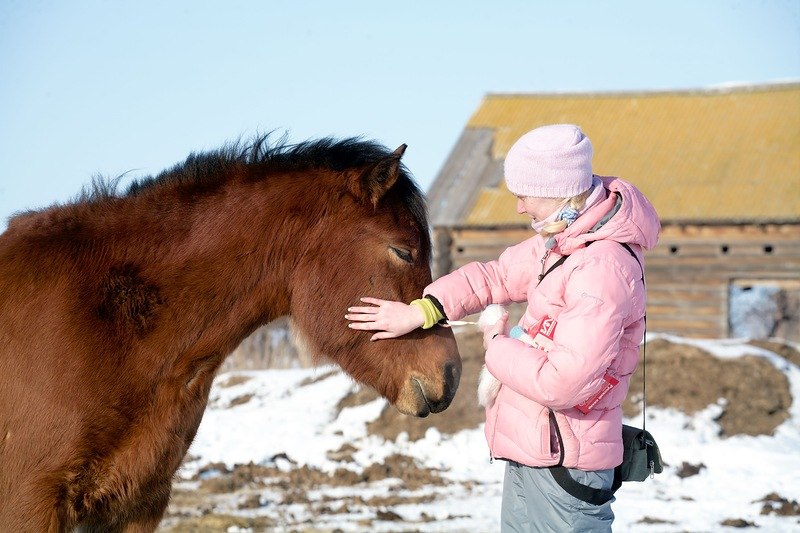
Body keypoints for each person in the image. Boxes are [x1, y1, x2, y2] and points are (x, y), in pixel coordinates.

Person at [346, 124, 660, 532]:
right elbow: (495, 277)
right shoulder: (562, 242)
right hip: (535, 451)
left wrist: (495, 342)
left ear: (559, 191)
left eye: (525, 194)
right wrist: (423, 310)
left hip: (565, 466)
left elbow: (564, 383)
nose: (519, 207)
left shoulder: (600, 268)